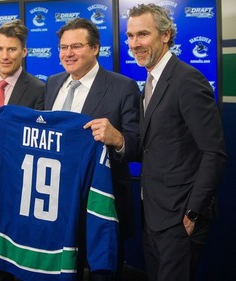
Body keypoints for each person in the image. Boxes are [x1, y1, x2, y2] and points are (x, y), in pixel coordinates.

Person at [124, 4, 227, 281]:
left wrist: (192, 213)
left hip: (180, 218)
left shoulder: (187, 80)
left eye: (143, 35)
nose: (135, 44)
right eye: (131, 36)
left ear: (166, 35)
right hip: (154, 214)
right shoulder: (149, 81)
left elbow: (214, 153)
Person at [45, 18, 140, 280]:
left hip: (101, 206)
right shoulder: (52, 84)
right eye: (63, 47)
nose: (68, 53)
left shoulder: (123, 87)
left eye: (76, 46)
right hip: (58, 206)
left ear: (95, 48)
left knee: (103, 273)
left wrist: (117, 138)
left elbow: (137, 145)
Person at [0, 19, 45, 281]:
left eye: (12, 49)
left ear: (24, 52)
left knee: (18, 266)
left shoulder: (39, 89)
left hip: (20, 190)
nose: (5, 56)